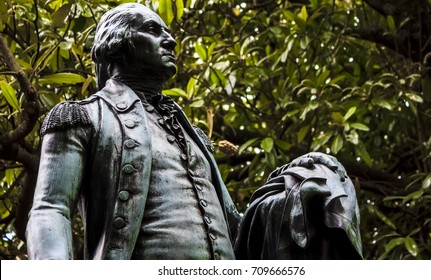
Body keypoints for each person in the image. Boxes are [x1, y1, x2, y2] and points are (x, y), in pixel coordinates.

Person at [26, 3, 361, 260]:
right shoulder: (82, 117)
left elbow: (235, 229)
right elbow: (50, 208)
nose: (170, 40)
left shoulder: (194, 136)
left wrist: (295, 194)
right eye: (153, 31)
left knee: (319, 174)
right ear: (117, 42)